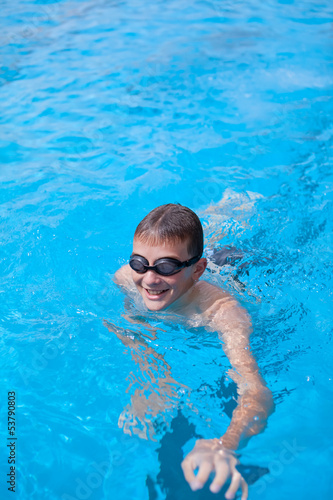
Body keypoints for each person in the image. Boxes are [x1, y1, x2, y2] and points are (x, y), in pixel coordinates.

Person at [106, 203, 274, 499]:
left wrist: (227, 443)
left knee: (236, 252)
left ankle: (239, 208)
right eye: (139, 263)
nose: (149, 279)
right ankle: (223, 211)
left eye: (166, 267)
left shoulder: (222, 314)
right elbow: (126, 321)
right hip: (194, 265)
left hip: (235, 267)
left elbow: (256, 393)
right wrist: (150, 371)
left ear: (196, 271)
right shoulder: (127, 278)